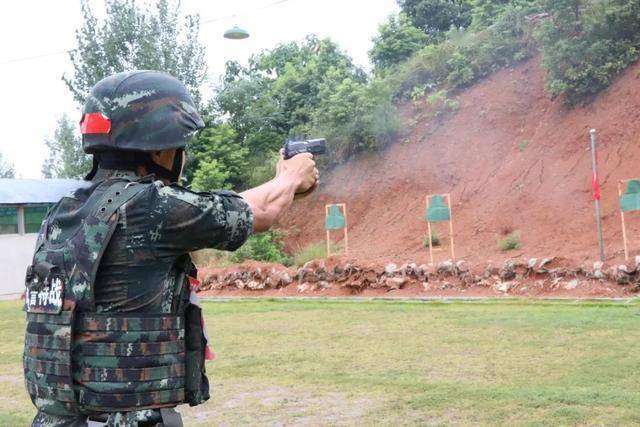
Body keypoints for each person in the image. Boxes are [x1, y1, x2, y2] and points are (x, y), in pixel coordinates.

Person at [23, 70, 318, 427]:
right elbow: (262, 211)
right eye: (180, 145)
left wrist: (281, 180)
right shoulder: (152, 206)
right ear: (160, 148)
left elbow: (233, 205)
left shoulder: (64, 212)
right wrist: (290, 176)